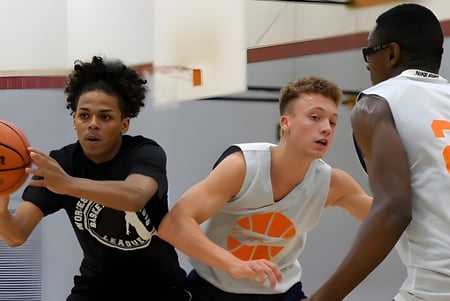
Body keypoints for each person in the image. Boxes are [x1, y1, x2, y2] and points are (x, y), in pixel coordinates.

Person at [158, 76, 373, 301]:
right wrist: (233, 265)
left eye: (332, 122)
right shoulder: (241, 166)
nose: (326, 128)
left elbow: (390, 219)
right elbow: (174, 225)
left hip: (282, 292)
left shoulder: (333, 183)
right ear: (285, 123)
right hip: (213, 288)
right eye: (315, 117)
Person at [0, 56, 190, 300]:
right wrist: (2, 202)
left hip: (159, 288)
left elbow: (134, 197)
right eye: (84, 115)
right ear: (74, 121)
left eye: (105, 117)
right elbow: (15, 235)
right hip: (96, 288)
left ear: (124, 124)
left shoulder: (144, 152)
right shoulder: (62, 163)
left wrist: (68, 184)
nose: (93, 124)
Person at [306, 3, 450, 301]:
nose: (367, 64)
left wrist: (325, 297)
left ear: (392, 53)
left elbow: (394, 209)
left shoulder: (376, 103)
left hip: (436, 286)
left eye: (368, 52)